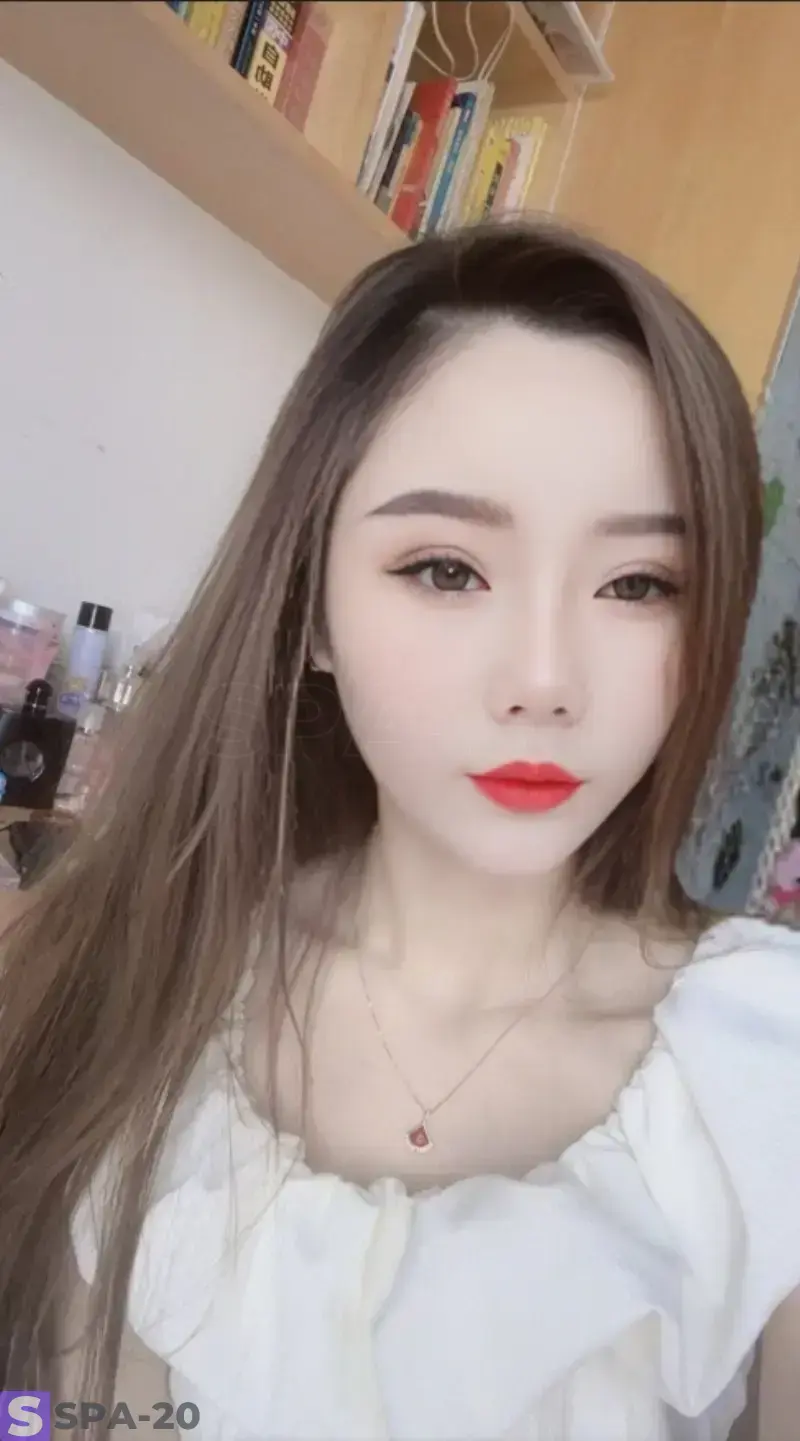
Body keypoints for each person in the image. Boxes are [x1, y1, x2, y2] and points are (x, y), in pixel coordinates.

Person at [0, 219, 798, 1441]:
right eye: (444, 569)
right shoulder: (103, 965)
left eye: (638, 584)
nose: (543, 680)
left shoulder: (762, 1070)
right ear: (311, 607)